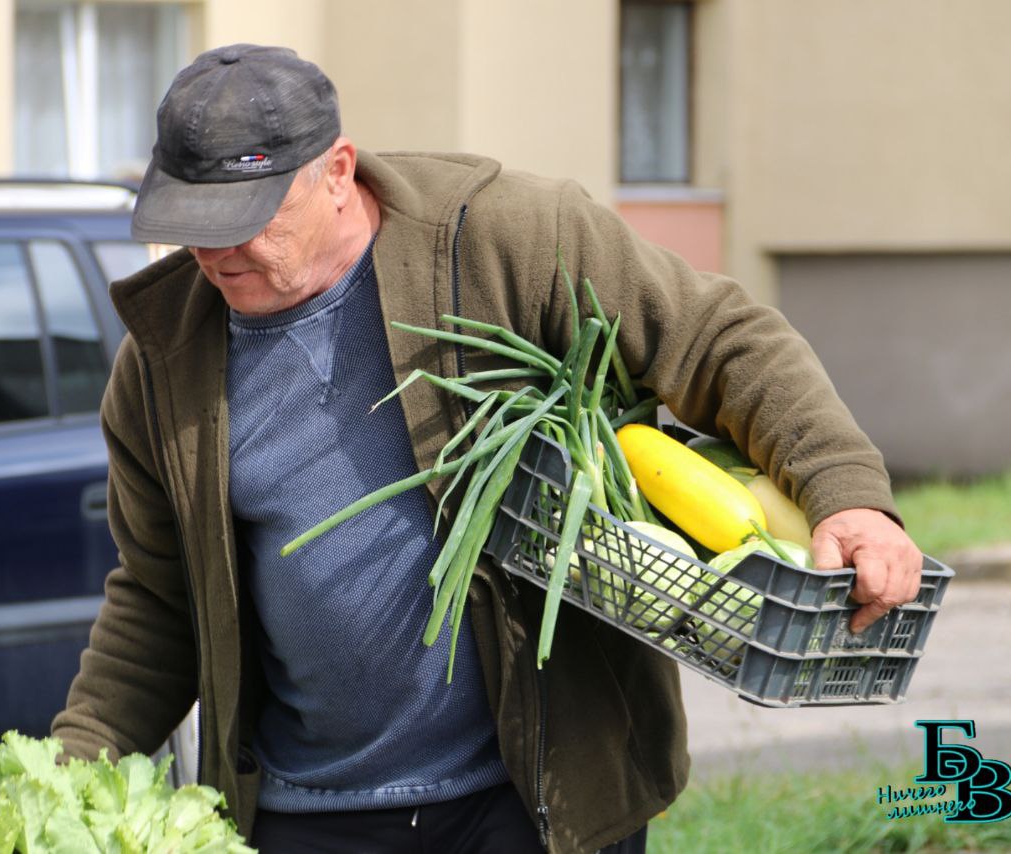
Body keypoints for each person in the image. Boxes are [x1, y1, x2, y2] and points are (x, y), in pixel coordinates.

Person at [53, 43, 924, 853]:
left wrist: (843, 491)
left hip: (532, 796)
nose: (216, 250)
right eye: (192, 221)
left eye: (245, 217)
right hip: (306, 817)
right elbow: (160, 600)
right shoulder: (163, 362)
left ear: (337, 172)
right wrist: (66, 778)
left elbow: (719, 341)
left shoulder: (506, 240)